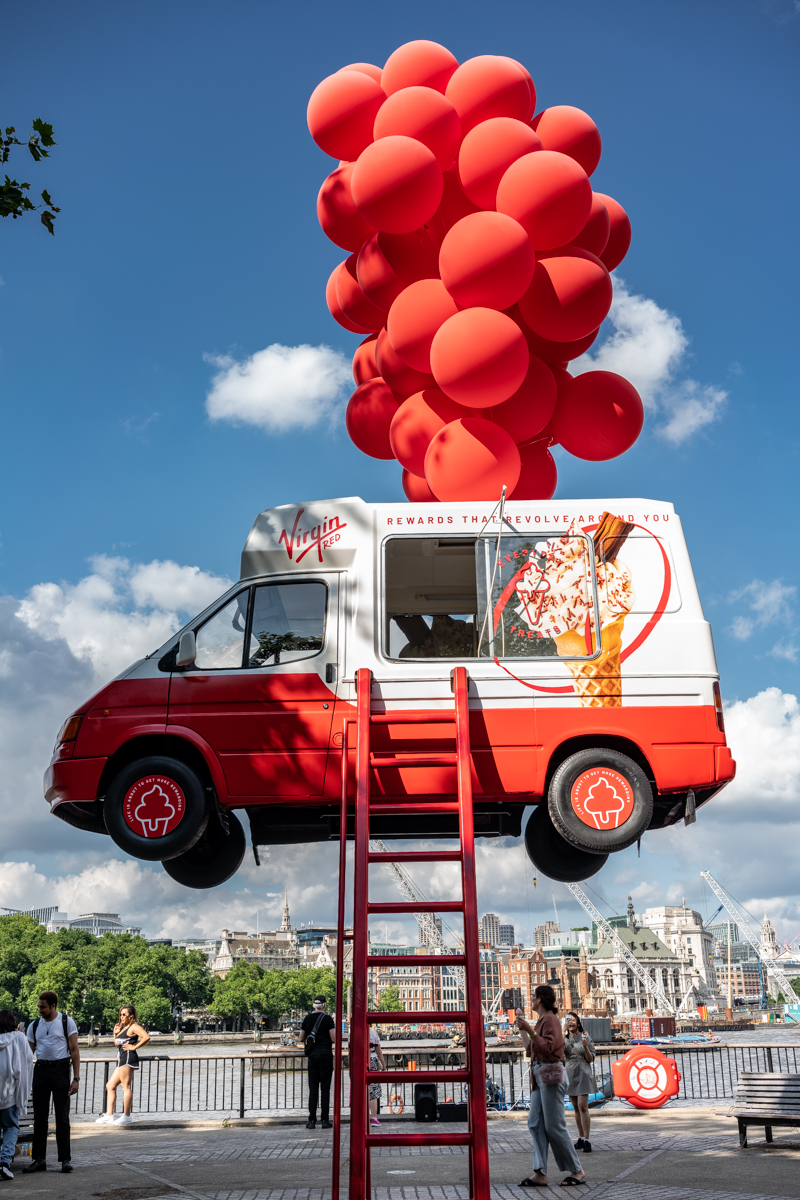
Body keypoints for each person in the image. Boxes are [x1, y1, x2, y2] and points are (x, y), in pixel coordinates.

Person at [516, 989, 586, 1188]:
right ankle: (540, 1173)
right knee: (535, 1123)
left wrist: (529, 1029)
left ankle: (577, 1170)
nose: (531, 1000)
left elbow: (548, 1047)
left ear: (539, 999)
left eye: (533, 997)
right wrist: (523, 1028)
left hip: (551, 1071)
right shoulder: (541, 1021)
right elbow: (530, 1049)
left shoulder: (550, 1019)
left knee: (554, 1125)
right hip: (540, 1074)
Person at [24, 992, 80, 1175]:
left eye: (43, 1007)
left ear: (53, 1006)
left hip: (60, 1069)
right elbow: (28, 1054)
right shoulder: (34, 1025)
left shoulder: (66, 1022)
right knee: (39, 1118)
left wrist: (76, 1078)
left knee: (62, 1117)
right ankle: (39, 1160)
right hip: (40, 1069)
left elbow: (74, 1050)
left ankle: (65, 1159)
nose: (40, 1010)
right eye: (39, 1007)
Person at [95, 1005, 150, 1126]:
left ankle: (127, 1116)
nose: (121, 1017)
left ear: (131, 1016)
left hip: (128, 1058)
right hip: (122, 1059)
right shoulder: (124, 1028)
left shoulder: (134, 1027)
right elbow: (117, 1045)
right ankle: (109, 1116)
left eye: (124, 1014)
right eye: (120, 1014)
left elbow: (146, 1037)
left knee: (126, 1087)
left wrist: (134, 1047)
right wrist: (115, 1034)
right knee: (110, 1085)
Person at [0, 1010, 33, 1180]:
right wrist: (22, 1096)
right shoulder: (19, 1038)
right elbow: (26, 1064)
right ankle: (4, 1163)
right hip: (10, 1095)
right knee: (11, 1127)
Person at [299, 996, 335, 1130]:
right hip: (325, 1056)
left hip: (312, 1057)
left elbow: (301, 1038)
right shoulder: (328, 1019)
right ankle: (325, 1120)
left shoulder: (307, 1019)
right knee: (325, 1089)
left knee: (313, 1089)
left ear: (314, 1006)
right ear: (324, 1005)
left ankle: (311, 1121)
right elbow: (333, 1038)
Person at [564, 1013, 595, 1152]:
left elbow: (590, 1059)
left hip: (583, 1071)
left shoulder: (585, 1037)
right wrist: (562, 1029)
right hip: (570, 1072)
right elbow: (557, 1048)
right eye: (568, 1020)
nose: (570, 1022)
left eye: (573, 1020)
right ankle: (581, 1137)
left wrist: (585, 1046)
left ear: (578, 1022)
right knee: (576, 1107)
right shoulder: (564, 1038)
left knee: (583, 1106)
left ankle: (587, 1139)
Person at [368, 1026, 386, 1127]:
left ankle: (361, 1119)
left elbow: (350, 1051)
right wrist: (384, 1066)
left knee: (360, 1091)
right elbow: (379, 1052)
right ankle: (374, 1118)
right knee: (373, 1093)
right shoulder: (373, 1033)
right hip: (372, 1061)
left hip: (358, 1061)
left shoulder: (352, 1034)